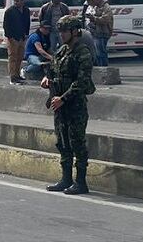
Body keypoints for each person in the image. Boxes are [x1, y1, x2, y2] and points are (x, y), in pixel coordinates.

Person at [42, 15, 95, 195]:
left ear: (74, 31)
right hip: (60, 105)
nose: (62, 34)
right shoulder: (62, 50)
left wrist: (63, 98)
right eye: (61, 31)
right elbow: (53, 69)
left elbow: (82, 82)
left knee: (77, 143)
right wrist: (47, 80)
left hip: (75, 106)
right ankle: (66, 179)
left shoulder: (82, 52)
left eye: (65, 31)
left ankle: (81, 182)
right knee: (62, 143)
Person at [3, 0, 31, 84]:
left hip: (22, 37)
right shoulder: (9, 11)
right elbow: (6, 25)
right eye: (15, 1)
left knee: (20, 57)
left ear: (22, 1)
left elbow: (27, 23)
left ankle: (18, 74)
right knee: (12, 57)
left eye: (18, 1)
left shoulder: (26, 10)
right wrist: (10, 38)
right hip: (13, 38)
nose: (16, 3)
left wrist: (26, 34)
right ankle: (12, 76)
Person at [84, 0, 113, 66]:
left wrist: (94, 18)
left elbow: (106, 19)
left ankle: (104, 69)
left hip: (101, 33)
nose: (92, 2)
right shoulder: (92, 6)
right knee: (95, 53)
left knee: (100, 53)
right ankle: (98, 68)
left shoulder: (106, 7)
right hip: (92, 32)